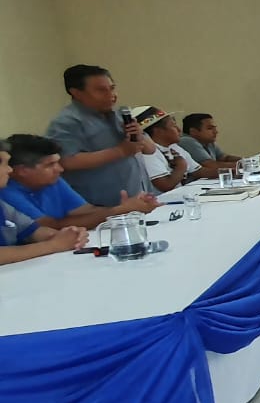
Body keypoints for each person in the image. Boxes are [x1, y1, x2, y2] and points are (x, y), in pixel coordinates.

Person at [45, 65, 158, 207]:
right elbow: (67, 161)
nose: (111, 95)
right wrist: (120, 151)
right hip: (101, 208)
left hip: (138, 198)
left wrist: (139, 134)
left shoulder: (119, 114)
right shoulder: (67, 122)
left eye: (112, 88)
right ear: (76, 93)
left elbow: (150, 149)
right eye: (101, 90)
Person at [0, 133, 159, 229]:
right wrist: (118, 211)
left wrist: (124, 207)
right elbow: (48, 226)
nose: (60, 169)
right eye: (50, 165)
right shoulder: (6, 191)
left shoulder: (52, 180)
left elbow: (84, 211)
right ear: (22, 171)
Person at [0, 140, 90, 264]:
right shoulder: (7, 193)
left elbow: (34, 231)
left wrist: (70, 235)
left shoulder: (2, 206)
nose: (10, 170)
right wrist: (53, 245)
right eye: (4, 164)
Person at [178, 114, 243, 166]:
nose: (216, 132)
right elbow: (210, 165)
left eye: (214, 128)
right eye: (210, 128)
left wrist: (245, 160)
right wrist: (242, 165)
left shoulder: (208, 141)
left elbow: (224, 158)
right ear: (193, 131)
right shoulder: (186, 141)